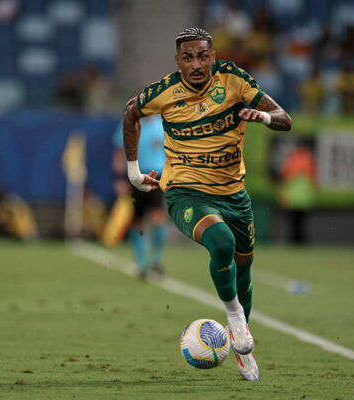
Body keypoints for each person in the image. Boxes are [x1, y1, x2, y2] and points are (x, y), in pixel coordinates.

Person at [122, 28, 292, 382]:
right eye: (188, 57)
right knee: (222, 243)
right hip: (186, 193)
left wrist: (260, 116)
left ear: (213, 56)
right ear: (178, 61)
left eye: (203, 56)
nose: (196, 64)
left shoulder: (234, 80)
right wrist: (134, 171)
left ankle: (242, 349)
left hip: (234, 196)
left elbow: (284, 119)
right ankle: (233, 320)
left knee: (244, 272)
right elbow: (129, 114)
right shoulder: (163, 92)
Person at [112, 115, 168, 279]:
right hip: (136, 175)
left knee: (157, 216)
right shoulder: (131, 124)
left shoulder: (163, 124)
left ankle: (157, 260)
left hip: (158, 176)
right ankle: (141, 262)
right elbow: (119, 152)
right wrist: (119, 178)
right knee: (138, 219)